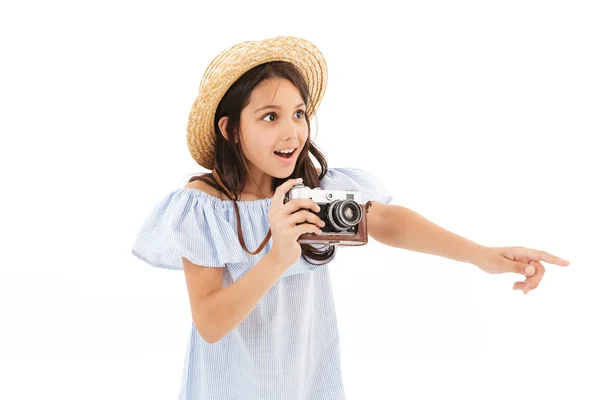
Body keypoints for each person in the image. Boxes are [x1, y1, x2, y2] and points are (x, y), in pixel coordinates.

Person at [130, 35, 570, 400]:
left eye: (299, 114)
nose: (291, 132)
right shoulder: (207, 205)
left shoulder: (315, 191)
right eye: (269, 117)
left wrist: (485, 256)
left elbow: (390, 222)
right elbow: (209, 322)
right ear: (230, 129)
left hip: (309, 384)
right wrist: (277, 257)